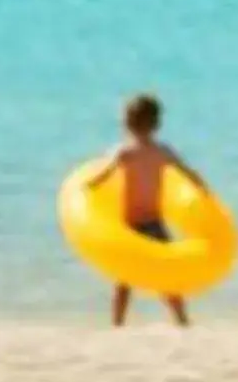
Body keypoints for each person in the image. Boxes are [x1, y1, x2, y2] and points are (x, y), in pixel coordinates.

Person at [84, 93, 212, 328]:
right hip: (155, 222)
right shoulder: (163, 152)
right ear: (157, 124)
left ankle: (117, 323)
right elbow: (188, 172)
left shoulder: (123, 152)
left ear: (126, 123)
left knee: (123, 278)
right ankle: (181, 320)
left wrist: (88, 187)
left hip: (131, 224)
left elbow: (102, 175)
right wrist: (203, 188)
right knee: (165, 275)